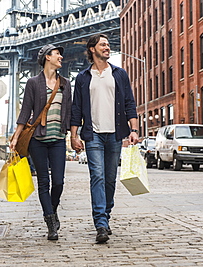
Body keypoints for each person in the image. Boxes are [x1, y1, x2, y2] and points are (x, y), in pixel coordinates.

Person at [70, 34, 138, 243]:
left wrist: (134, 129)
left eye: (108, 45)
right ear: (92, 49)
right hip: (93, 135)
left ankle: (105, 216)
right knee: (97, 177)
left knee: (109, 179)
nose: (107, 47)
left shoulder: (119, 74)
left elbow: (129, 102)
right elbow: (76, 109)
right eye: (103, 45)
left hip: (115, 133)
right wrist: (73, 135)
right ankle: (100, 223)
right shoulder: (83, 77)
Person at [10, 44, 71, 241]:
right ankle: (50, 223)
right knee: (44, 181)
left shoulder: (65, 83)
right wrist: (16, 136)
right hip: (38, 139)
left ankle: (51, 212)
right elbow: (25, 111)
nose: (60, 56)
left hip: (59, 139)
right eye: (56, 54)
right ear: (47, 57)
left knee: (59, 182)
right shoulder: (33, 83)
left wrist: (75, 134)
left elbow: (68, 111)